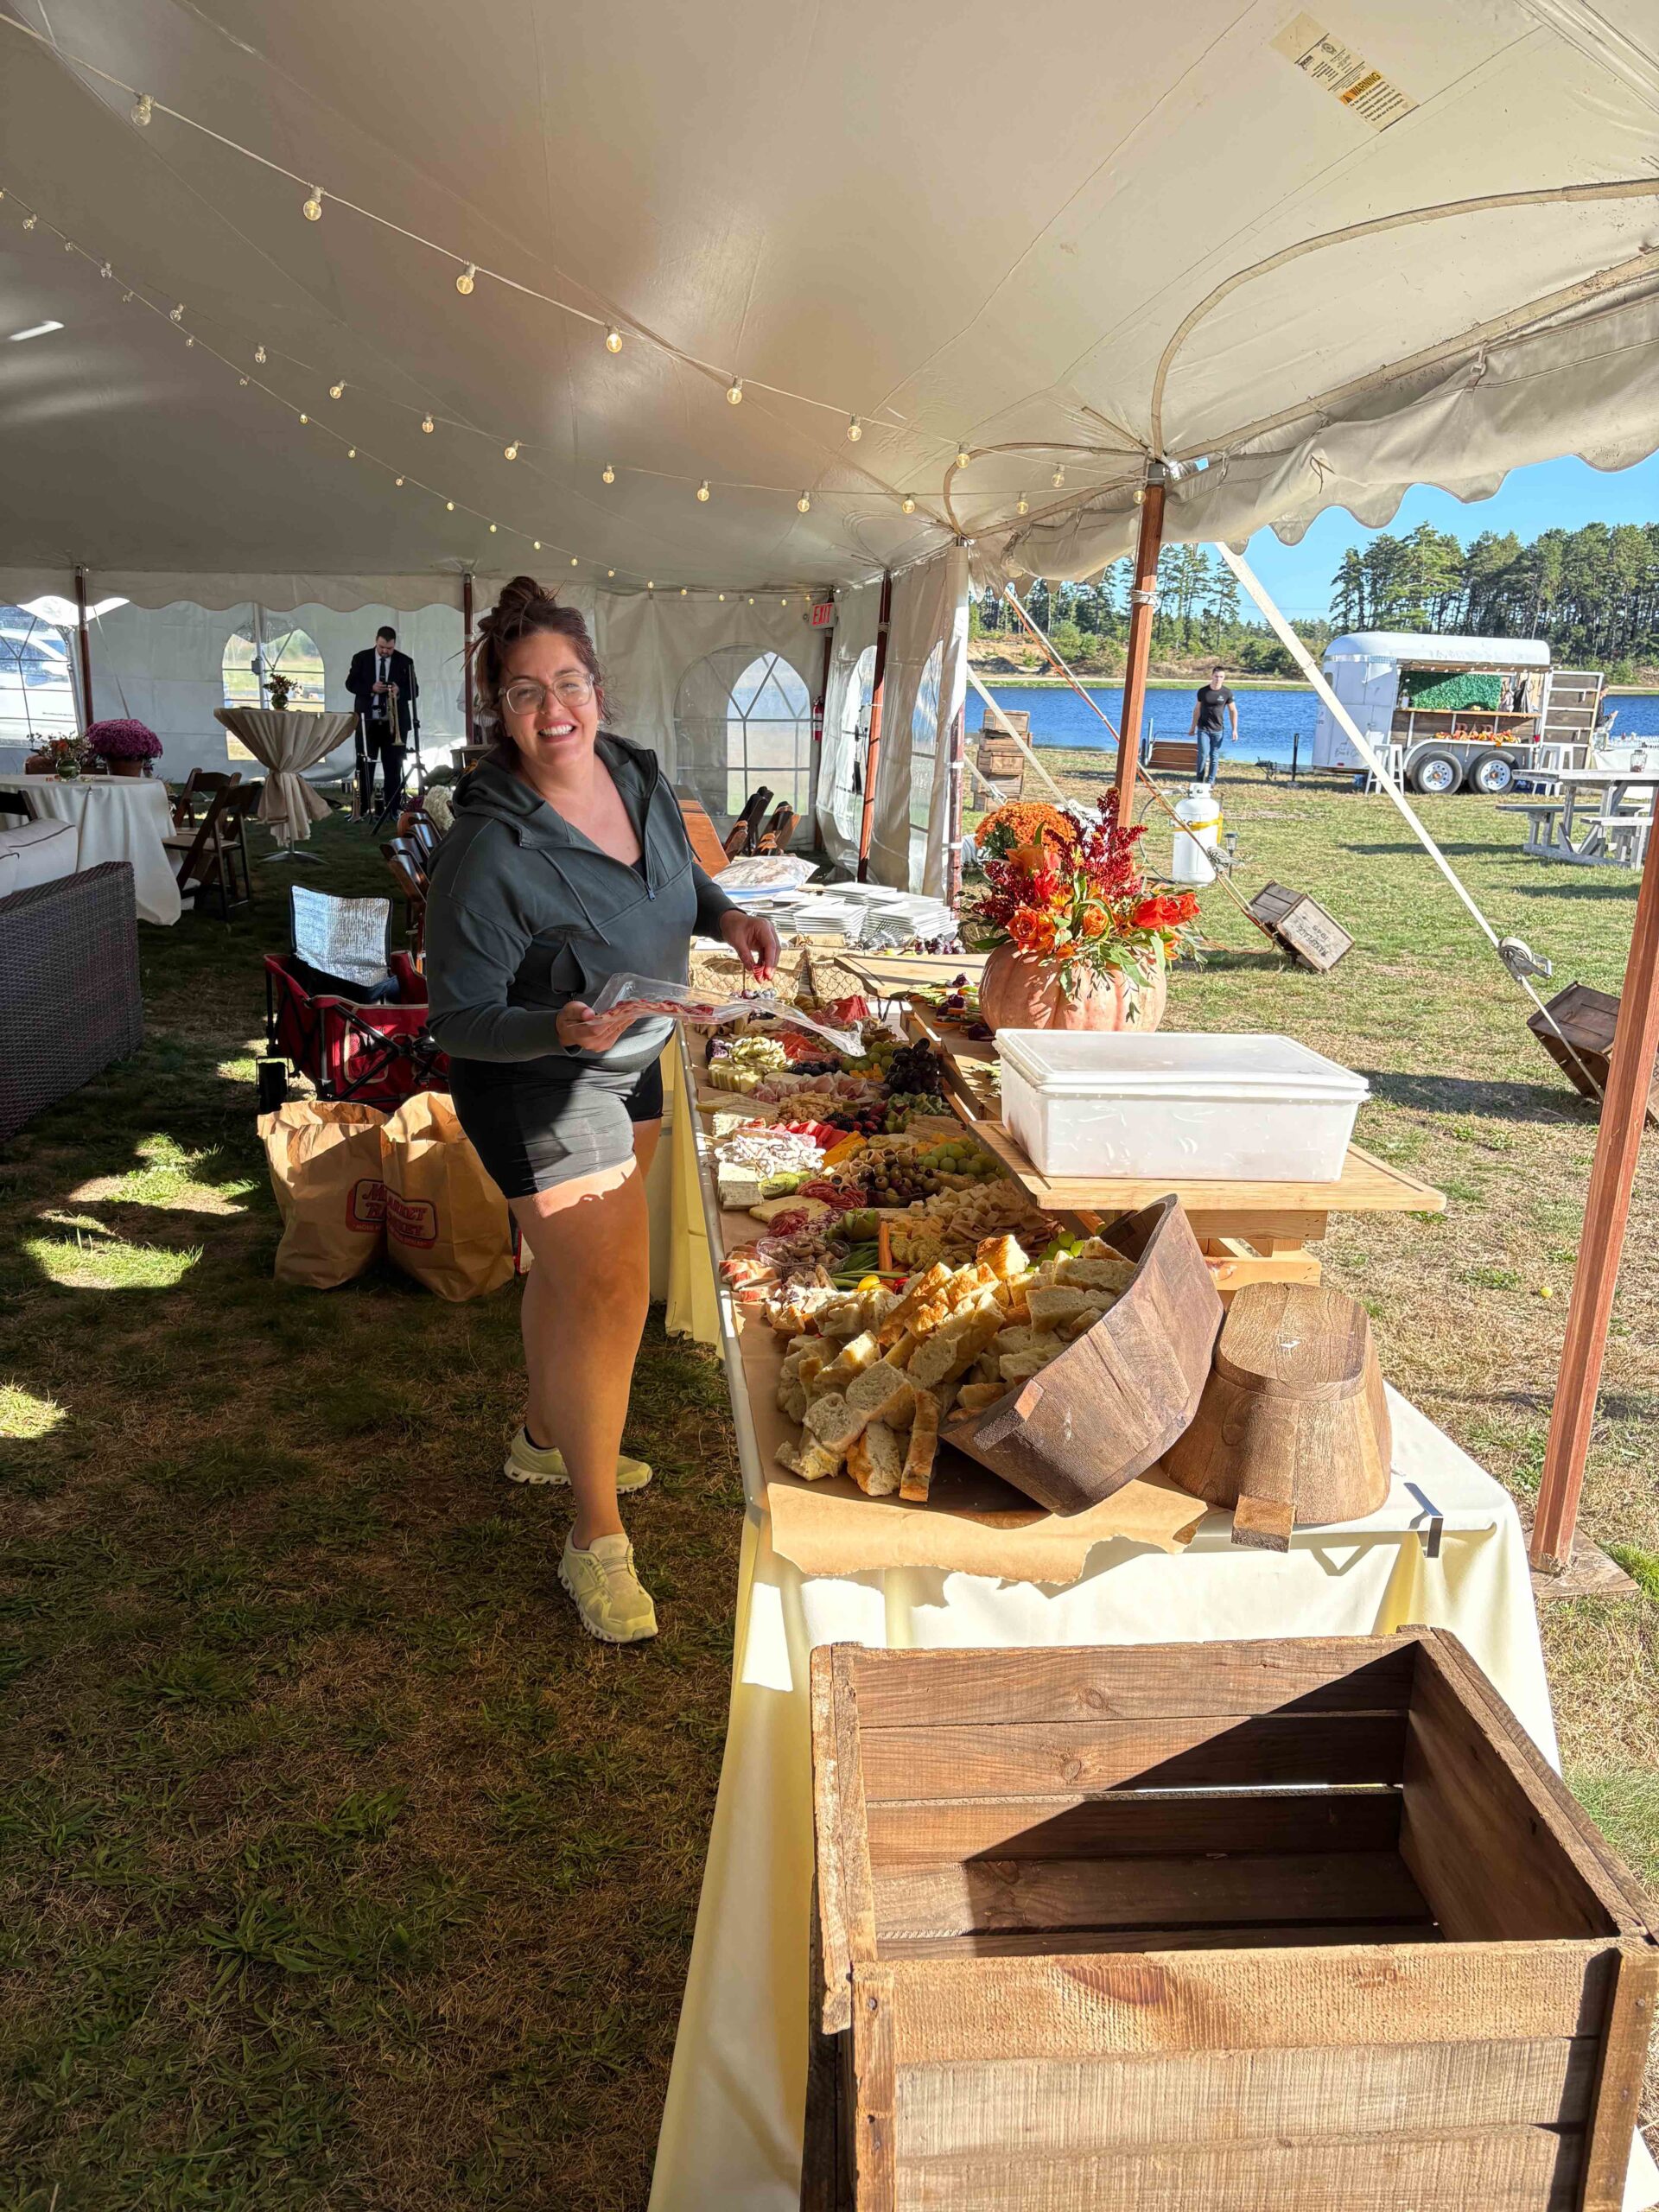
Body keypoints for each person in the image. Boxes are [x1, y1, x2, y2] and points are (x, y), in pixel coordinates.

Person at [423, 577, 779, 1645]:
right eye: (525, 692)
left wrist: (728, 914)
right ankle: (595, 1536)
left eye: (569, 682)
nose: (554, 709)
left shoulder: (635, 770)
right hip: (539, 1079)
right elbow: (459, 1019)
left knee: (575, 1278)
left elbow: (678, 880)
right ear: (499, 710)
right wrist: (556, 1028)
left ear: (598, 686)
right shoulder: (489, 850)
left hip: (635, 1055)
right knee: (615, 1289)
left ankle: (545, 1437)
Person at [346, 625, 418, 815]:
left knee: (393, 766)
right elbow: (350, 684)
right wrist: (371, 688)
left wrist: (399, 691)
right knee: (364, 765)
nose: (385, 651)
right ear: (376, 642)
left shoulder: (405, 661)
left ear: (395, 644)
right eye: (381, 647)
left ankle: (392, 808)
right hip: (368, 722)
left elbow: (415, 690)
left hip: (394, 724)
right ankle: (362, 807)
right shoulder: (361, 658)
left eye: (389, 648)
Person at [1188, 664, 1237, 784]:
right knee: (1203, 755)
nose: (1218, 679)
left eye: (1221, 677)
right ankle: (1199, 780)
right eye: (1216, 676)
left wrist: (1234, 729)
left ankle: (1211, 782)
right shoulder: (1203, 691)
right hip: (1203, 728)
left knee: (1214, 756)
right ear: (1212, 676)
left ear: (1224, 678)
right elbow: (1197, 710)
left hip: (1218, 729)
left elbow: (1233, 711)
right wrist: (1193, 727)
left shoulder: (1227, 692)